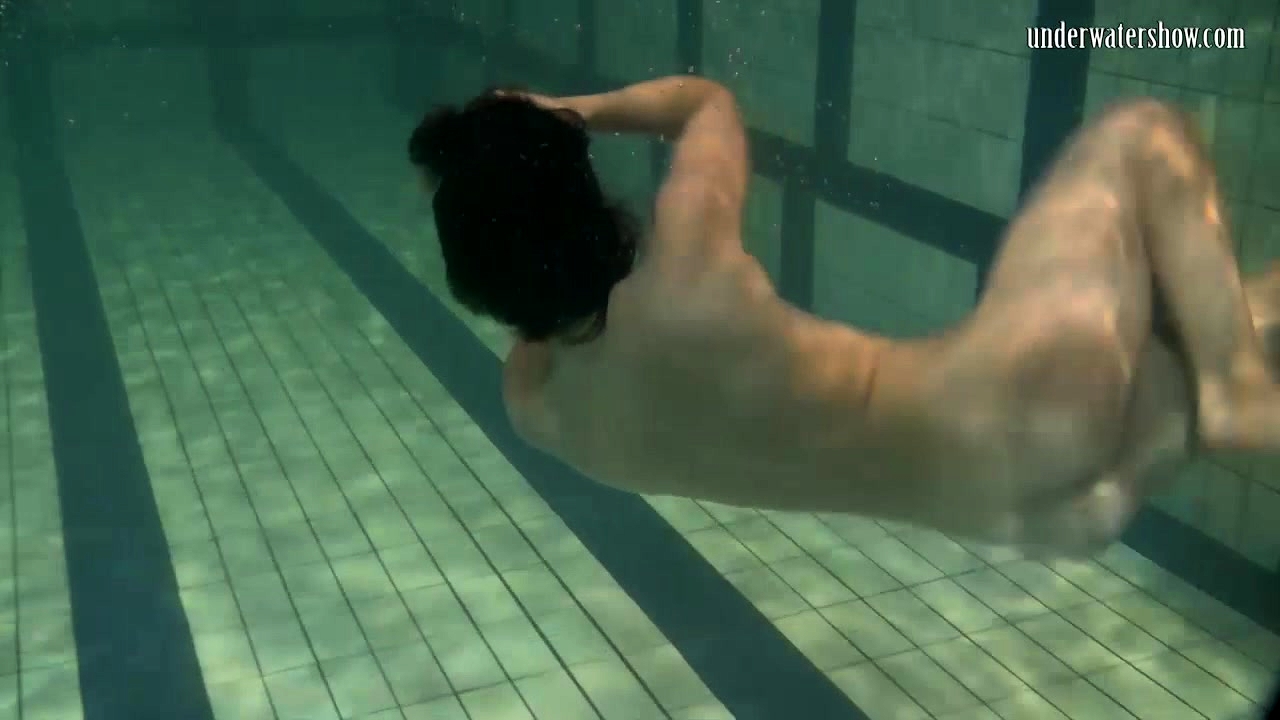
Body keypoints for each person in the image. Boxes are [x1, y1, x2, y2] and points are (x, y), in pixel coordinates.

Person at [408, 76, 1280, 558]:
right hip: (1024, 410)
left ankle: (1230, 379)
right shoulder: (683, 283)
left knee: (1241, 316)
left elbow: (532, 334)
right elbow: (705, 104)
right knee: (1143, 135)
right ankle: (1239, 394)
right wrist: (571, 111)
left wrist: (507, 187)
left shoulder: (543, 412)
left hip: (1027, 519)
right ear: (583, 201)